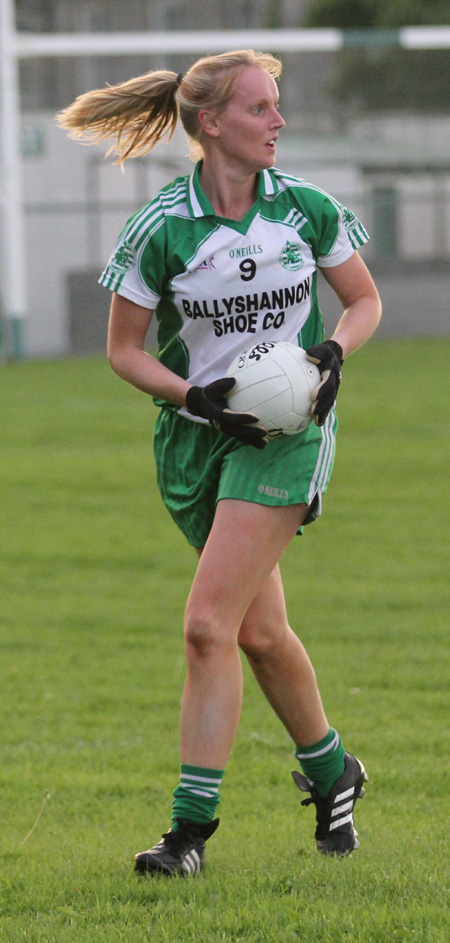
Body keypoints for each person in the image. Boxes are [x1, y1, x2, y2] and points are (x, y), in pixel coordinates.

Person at [57, 48, 381, 876]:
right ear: (212, 124)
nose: (278, 120)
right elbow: (124, 352)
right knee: (261, 631)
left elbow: (364, 297)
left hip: (289, 434)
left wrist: (333, 354)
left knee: (208, 627)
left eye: (277, 106)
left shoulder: (306, 208)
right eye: (260, 108)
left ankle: (188, 832)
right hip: (200, 437)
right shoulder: (163, 226)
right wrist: (191, 398)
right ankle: (333, 769)